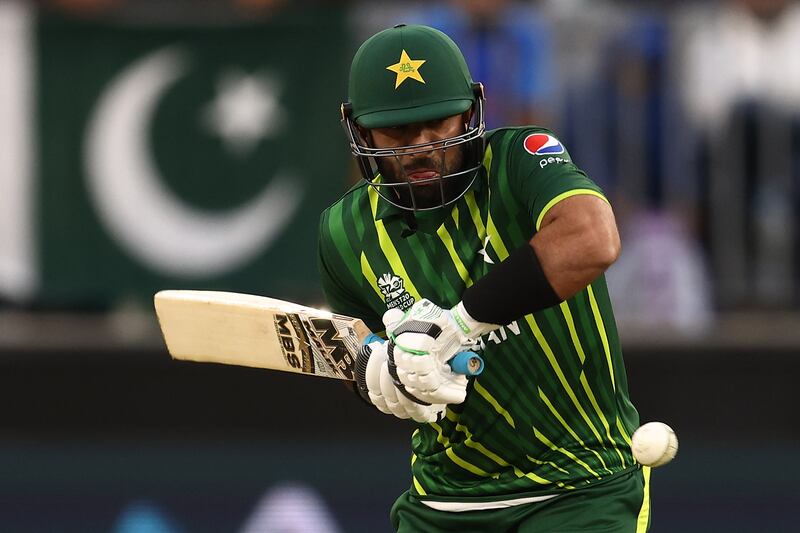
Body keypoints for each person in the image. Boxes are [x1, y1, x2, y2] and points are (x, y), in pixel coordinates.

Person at [318, 24, 648, 532]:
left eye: (438, 125)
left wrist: (461, 323)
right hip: (445, 503)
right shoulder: (342, 232)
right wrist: (379, 373)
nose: (422, 147)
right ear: (360, 132)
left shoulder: (521, 161)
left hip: (582, 484)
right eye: (398, 132)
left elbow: (593, 240)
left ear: (471, 113)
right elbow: (356, 343)